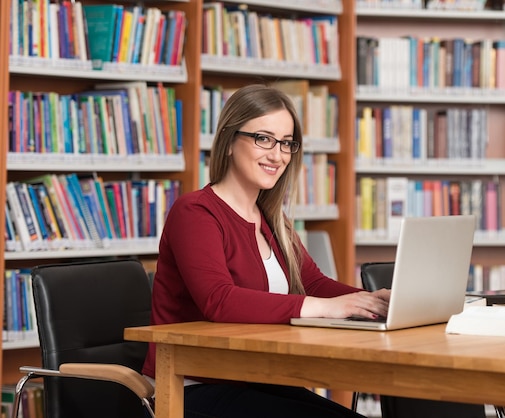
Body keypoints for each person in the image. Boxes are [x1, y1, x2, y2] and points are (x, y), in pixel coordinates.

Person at [142, 83, 390, 418]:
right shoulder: (195, 212)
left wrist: (372, 302)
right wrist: (327, 308)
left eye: (286, 143)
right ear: (229, 142)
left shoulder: (271, 219)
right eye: (263, 138)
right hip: (190, 387)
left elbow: (313, 285)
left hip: (253, 377)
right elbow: (219, 300)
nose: (277, 154)